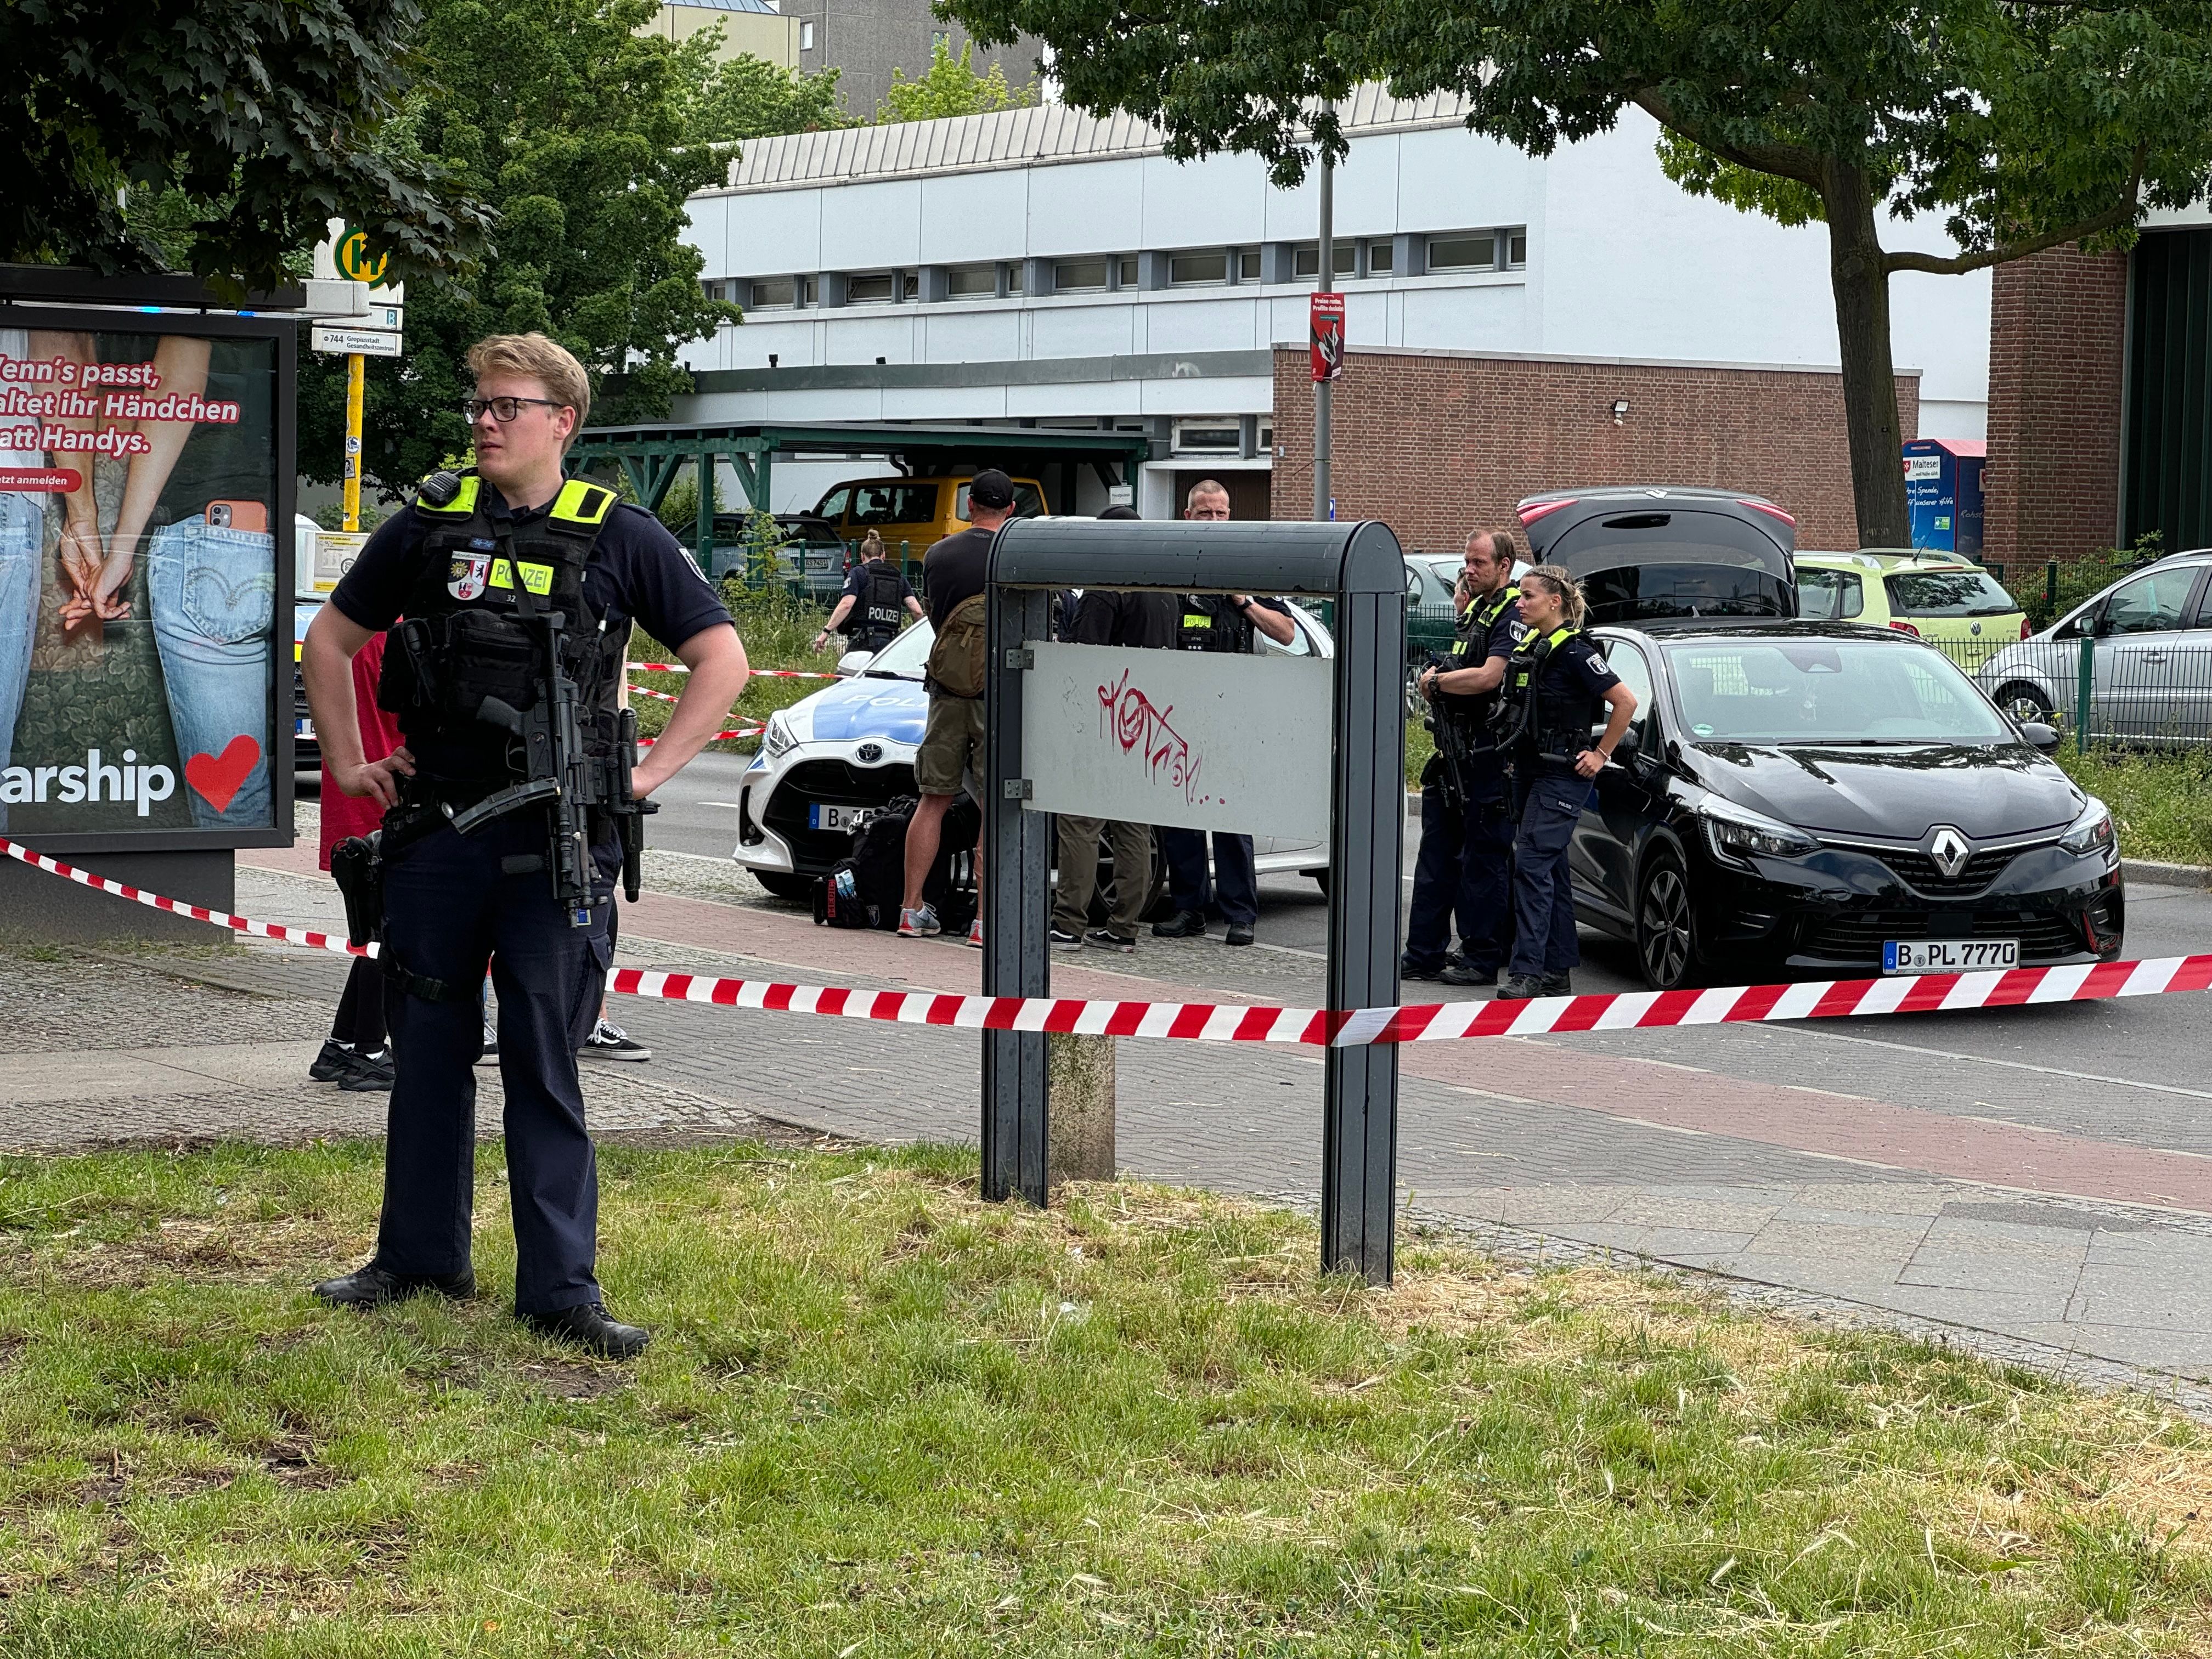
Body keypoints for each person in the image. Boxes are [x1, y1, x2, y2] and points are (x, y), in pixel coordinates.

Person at [301, 331, 751, 1358]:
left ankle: (560, 1291)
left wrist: (644, 776)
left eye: (507, 405)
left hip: (557, 839)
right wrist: (349, 763)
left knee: (544, 1060)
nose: (486, 421)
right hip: (437, 834)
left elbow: (721, 658)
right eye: (480, 403)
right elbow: (329, 640)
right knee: (426, 1053)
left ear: (563, 421)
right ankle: (419, 1259)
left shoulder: (620, 534)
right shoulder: (429, 523)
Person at [1150, 479, 1295, 948]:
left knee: (1231, 815)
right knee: (1180, 814)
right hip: (1178, 708)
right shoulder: (1170, 563)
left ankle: (1240, 914)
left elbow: (1287, 633)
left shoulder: (1247, 566)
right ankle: (1188, 908)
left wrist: (1243, 601)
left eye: (1221, 513)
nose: (1214, 521)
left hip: (1233, 710)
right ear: (1187, 516)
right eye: (1205, 513)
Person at [1493, 564, 1637, 1002]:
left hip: (1561, 773)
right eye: (1520, 595)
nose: (1520, 603)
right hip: (1530, 769)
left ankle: (1528, 972)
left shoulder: (1575, 651)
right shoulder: (1534, 647)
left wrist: (1601, 754)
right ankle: (1556, 970)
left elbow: (1625, 702)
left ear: (1555, 602)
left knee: (1532, 866)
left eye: (1528, 596)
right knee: (1549, 868)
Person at [899, 469, 1020, 946]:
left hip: (947, 692)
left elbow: (936, 620)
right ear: (1011, 508)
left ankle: (911, 910)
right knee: (995, 807)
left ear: (970, 504)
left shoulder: (939, 554)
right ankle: (984, 923)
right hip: (1001, 695)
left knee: (933, 799)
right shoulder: (1017, 552)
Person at [1050, 504, 1173, 952]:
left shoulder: (1106, 590)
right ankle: (1125, 927)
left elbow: (1083, 660)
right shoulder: (1165, 591)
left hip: (1106, 720)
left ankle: (1069, 923)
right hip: (1147, 724)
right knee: (1133, 827)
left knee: (1080, 822)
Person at [1404, 529, 1523, 987]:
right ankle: (1423, 953)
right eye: (1467, 563)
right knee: (1436, 858)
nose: (1469, 571)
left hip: (1487, 756)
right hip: (1452, 752)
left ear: (1504, 565)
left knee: (1483, 862)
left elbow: (1491, 677)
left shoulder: (1513, 612)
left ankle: (1481, 957)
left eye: (1479, 563)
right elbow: (1462, 667)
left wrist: (1436, 683)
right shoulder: (1475, 609)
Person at [309, 626, 405, 1092]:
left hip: (355, 797)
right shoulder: (404, 636)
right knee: (392, 935)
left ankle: (342, 1044)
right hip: (388, 799)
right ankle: (368, 1050)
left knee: (376, 932)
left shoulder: (352, 632)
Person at [812, 529, 921, 657]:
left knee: (848, 670)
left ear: (862, 556)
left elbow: (846, 604)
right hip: (890, 646)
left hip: (862, 643)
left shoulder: (859, 573)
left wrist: (826, 631)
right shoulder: (898, 576)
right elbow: (917, 611)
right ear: (883, 555)